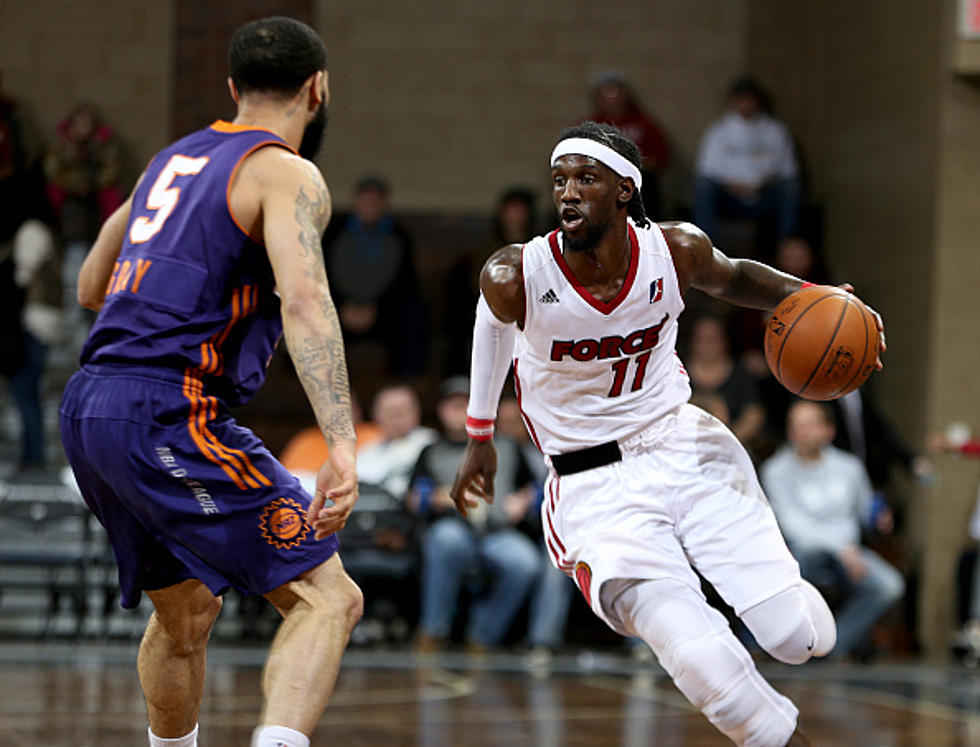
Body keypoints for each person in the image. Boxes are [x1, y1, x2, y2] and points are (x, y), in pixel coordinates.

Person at [451, 121, 885, 746]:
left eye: (586, 179)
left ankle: (790, 617)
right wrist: (480, 435)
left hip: (685, 444)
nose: (568, 192)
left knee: (796, 639)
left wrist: (821, 299)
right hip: (593, 486)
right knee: (704, 664)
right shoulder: (516, 274)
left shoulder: (674, 249)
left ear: (626, 189)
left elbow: (734, 277)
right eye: (560, 180)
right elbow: (489, 333)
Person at [58, 18, 363, 747]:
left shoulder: (169, 161)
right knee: (329, 597)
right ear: (317, 88)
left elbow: (90, 284)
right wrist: (342, 444)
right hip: (169, 409)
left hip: (90, 405)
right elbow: (306, 301)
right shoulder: (284, 169)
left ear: (232, 88)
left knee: (186, 612)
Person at [762, 401, 905, 660]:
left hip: (850, 555)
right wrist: (841, 549)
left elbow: (864, 511)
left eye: (810, 424)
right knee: (803, 553)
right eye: (797, 426)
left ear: (829, 430)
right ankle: (789, 645)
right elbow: (793, 527)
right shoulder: (776, 471)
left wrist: (879, 519)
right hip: (803, 556)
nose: (803, 432)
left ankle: (833, 646)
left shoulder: (850, 468)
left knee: (889, 586)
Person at [410, 377, 541, 653]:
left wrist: (523, 501)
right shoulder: (432, 450)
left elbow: (535, 488)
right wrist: (441, 496)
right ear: (443, 411)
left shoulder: (506, 445)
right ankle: (433, 630)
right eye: (453, 405)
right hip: (454, 525)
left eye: (465, 403)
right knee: (446, 541)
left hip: (499, 530)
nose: (459, 410)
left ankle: (483, 636)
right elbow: (412, 499)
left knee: (525, 562)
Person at [322, 175, 426, 378]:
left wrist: (376, 308)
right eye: (365, 200)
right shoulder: (335, 233)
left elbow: (405, 282)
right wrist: (343, 305)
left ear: (384, 204)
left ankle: (406, 381)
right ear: (356, 201)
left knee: (414, 315)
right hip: (338, 309)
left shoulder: (398, 235)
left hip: (384, 311)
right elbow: (322, 275)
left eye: (375, 201)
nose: (369, 206)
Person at [692, 76, 800, 255]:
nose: (745, 104)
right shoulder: (719, 131)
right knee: (703, 187)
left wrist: (762, 185)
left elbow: (788, 169)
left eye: (749, 98)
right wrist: (735, 186)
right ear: (733, 101)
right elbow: (706, 170)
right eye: (741, 98)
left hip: (764, 194)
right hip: (730, 197)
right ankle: (706, 252)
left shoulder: (775, 130)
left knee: (790, 187)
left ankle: (788, 248)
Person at [588, 70, 670, 220]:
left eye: (615, 93)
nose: (612, 100)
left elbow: (660, 156)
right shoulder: (591, 126)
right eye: (605, 94)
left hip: (637, 180)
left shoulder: (643, 123)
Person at [356, 382, 437, 499]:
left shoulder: (432, 443)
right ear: (376, 414)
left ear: (417, 411)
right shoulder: (366, 452)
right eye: (390, 412)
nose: (396, 417)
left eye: (402, 411)